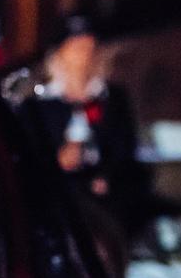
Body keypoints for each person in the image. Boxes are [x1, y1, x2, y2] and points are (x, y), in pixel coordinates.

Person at [30, 15, 150, 236]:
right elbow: (30, 153)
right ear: (60, 53)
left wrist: (106, 175)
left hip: (103, 198)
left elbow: (125, 146)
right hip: (55, 197)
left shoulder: (111, 99)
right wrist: (57, 162)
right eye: (76, 47)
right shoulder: (39, 104)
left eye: (89, 47)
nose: (84, 55)